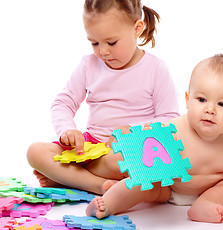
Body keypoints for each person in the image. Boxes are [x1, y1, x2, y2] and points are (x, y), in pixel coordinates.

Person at [86, 54, 223, 223]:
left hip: (210, 188)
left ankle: (203, 206)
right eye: (201, 99)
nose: (210, 109)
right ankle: (107, 204)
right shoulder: (174, 127)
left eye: (222, 104)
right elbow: (150, 147)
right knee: (140, 181)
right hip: (169, 187)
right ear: (187, 99)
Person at [27, 0, 179, 195]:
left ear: (137, 29)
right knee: (35, 152)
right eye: (94, 43)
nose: (103, 51)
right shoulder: (87, 65)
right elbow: (63, 103)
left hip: (130, 149)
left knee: (120, 161)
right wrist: (68, 130)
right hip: (91, 147)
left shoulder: (156, 68)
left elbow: (170, 119)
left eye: (112, 42)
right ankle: (99, 185)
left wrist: (134, 132)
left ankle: (72, 177)